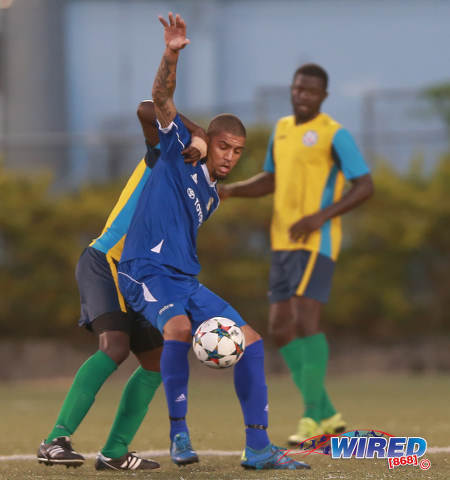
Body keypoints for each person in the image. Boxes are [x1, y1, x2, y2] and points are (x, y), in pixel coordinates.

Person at [117, 12, 309, 471]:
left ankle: (259, 448)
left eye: (238, 151)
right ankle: (179, 435)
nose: (230, 156)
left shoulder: (213, 195)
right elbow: (156, 100)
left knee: (253, 341)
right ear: (212, 142)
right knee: (178, 329)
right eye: (224, 146)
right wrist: (172, 55)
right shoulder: (180, 150)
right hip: (143, 270)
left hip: (184, 280)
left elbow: (260, 183)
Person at [37, 101, 207, 471]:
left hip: (141, 277)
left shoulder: (193, 196)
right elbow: (147, 109)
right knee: (114, 347)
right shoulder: (165, 157)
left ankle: (114, 452)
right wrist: (198, 132)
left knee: (156, 362)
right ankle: (55, 440)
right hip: (107, 262)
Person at [219, 63, 374, 445]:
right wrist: (233, 190)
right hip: (282, 242)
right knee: (279, 328)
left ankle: (311, 417)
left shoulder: (334, 135)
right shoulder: (282, 130)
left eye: (309, 91)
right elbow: (271, 179)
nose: (300, 95)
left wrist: (319, 217)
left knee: (306, 321)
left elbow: (365, 185)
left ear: (323, 96)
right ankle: (326, 411)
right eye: (296, 89)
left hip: (316, 241)